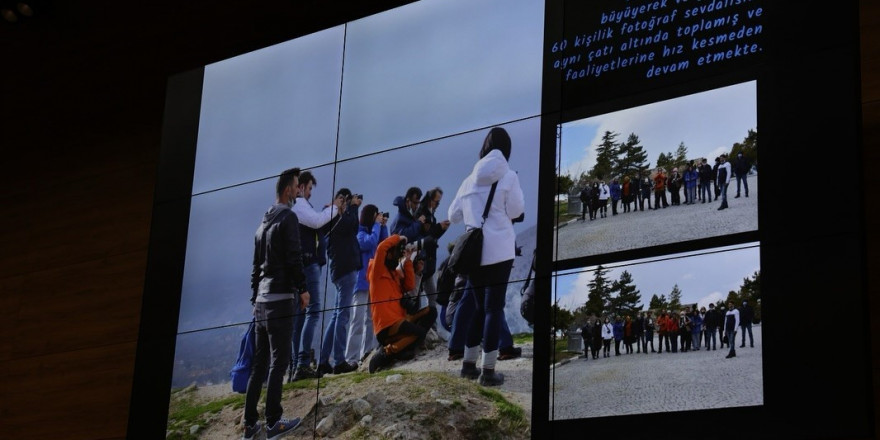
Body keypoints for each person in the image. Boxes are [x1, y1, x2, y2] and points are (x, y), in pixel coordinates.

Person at [447, 126, 525, 386]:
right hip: (500, 252)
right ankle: (488, 372)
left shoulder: (468, 180)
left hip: (474, 254)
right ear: (506, 149)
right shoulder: (510, 176)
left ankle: (468, 365)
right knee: (494, 308)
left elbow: (452, 215)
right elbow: (516, 210)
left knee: (478, 309)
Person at [244, 167, 307, 440]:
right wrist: (303, 289)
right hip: (281, 298)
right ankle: (273, 423)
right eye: (296, 186)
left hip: (261, 301)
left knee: (259, 364)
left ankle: (250, 426)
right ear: (286, 190)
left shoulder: (262, 224)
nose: (298, 191)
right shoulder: (288, 218)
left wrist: (253, 298)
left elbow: (255, 267)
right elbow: (294, 257)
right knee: (279, 361)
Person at [288, 171, 341, 382]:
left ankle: (295, 364)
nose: (310, 193)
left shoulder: (301, 207)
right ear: (300, 187)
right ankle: (301, 363)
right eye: (309, 188)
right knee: (313, 312)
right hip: (308, 265)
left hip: (306, 264)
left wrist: (332, 214)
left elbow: (318, 227)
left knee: (301, 316)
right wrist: (335, 207)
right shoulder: (300, 205)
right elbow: (318, 222)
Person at [367, 234, 438, 373]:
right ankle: (387, 352)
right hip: (386, 326)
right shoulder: (377, 272)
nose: (397, 256)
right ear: (388, 254)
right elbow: (381, 248)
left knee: (431, 311)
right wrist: (400, 238)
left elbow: (409, 285)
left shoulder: (394, 274)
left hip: (400, 320)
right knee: (419, 332)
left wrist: (408, 261)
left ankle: (405, 348)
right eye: (396, 252)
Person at [315, 188, 363, 375]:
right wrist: (352, 208)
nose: (346, 202)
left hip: (338, 270)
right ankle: (339, 361)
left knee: (336, 316)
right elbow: (352, 227)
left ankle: (323, 361)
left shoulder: (331, 216)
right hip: (345, 269)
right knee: (343, 316)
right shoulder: (336, 217)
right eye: (342, 199)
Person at [345, 204, 387, 369]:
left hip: (372, 283)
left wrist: (382, 226)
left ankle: (367, 351)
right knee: (357, 320)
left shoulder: (373, 232)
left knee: (370, 320)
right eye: (376, 215)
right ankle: (350, 357)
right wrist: (377, 225)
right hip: (361, 283)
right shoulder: (360, 234)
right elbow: (370, 244)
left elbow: (383, 244)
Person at [413, 187, 451, 328]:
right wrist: (438, 227)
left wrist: (441, 229)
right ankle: (424, 325)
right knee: (420, 296)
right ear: (430, 200)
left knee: (431, 295)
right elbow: (425, 237)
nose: (437, 205)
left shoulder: (430, 214)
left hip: (429, 261)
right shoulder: (422, 214)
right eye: (436, 202)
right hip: (423, 261)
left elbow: (432, 236)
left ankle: (431, 324)